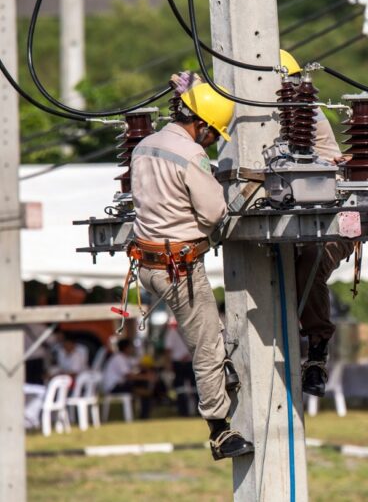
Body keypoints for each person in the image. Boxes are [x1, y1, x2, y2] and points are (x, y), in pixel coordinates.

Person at [131, 73, 254, 460]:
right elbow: (215, 210)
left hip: (148, 265)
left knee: (205, 330)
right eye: (214, 133)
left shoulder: (145, 145)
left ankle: (224, 372)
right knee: (206, 346)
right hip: (178, 267)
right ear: (199, 125)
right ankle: (220, 431)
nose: (214, 140)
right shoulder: (191, 155)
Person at [279, 50, 354, 397]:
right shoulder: (257, 120)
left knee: (310, 256)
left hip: (332, 221)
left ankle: (317, 350)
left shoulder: (305, 118)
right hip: (285, 223)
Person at [102, 339, 154, 418]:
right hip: (113, 387)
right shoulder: (118, 358)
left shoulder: (126, 358)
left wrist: (148, 371)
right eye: (131, 347)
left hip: (122, 385)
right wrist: (146, 377)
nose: (132, 349)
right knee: (143, 389)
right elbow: (128, 376)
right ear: (126, 348)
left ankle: (144, 412)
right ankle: (146, 403)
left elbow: (139, 364)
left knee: (143, 385)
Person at [164, 318, 198, 416]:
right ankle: (192, 410)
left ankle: (184, 411)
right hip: (187, 362)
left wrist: (168, 364)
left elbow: (167, 350)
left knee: (186, 387)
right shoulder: (192, 332)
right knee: (188, 387)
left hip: (181, 362)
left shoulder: (172, 332)